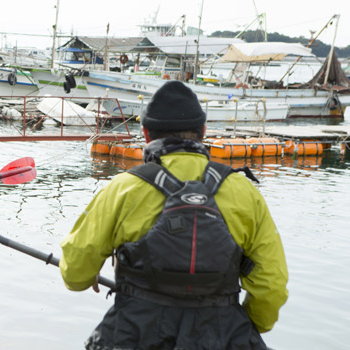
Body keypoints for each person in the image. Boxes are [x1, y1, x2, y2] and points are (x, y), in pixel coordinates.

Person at [59, 81, 288, 350]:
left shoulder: (122, 189)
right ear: (203, 132)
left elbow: (75, 275)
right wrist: (239, 326)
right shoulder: (244, 193)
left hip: (134, 335)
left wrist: (90, 274)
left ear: (145, 134)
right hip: (223, 334)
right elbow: (271, 285)